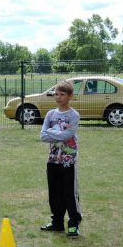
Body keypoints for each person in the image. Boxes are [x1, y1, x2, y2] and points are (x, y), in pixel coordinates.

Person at [39, 80, 82, 237]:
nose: (58, 97)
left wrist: (51, 132)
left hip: (68, 161)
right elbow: (42, 136)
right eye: (56, 94)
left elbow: (67, 135)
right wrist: (56, 135)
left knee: (69, 193)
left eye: (62, 94)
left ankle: (73, 224)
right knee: (54, 193)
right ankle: (57, 223)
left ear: (70, 96)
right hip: (53, 160)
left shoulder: (73, 115)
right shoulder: (50, 114)